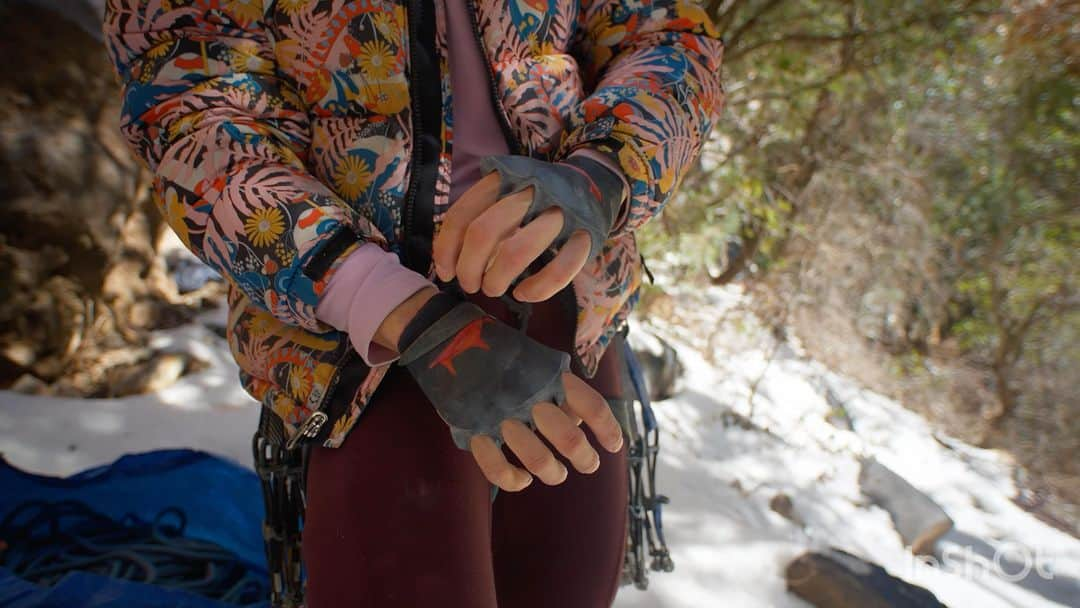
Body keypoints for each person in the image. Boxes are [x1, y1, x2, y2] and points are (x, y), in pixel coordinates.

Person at [104, 1, 725, 606]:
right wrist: (398, 310)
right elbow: (192, 108)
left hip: (575, 310)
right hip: (364, 345)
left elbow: (668, 36)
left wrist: (602, 171)